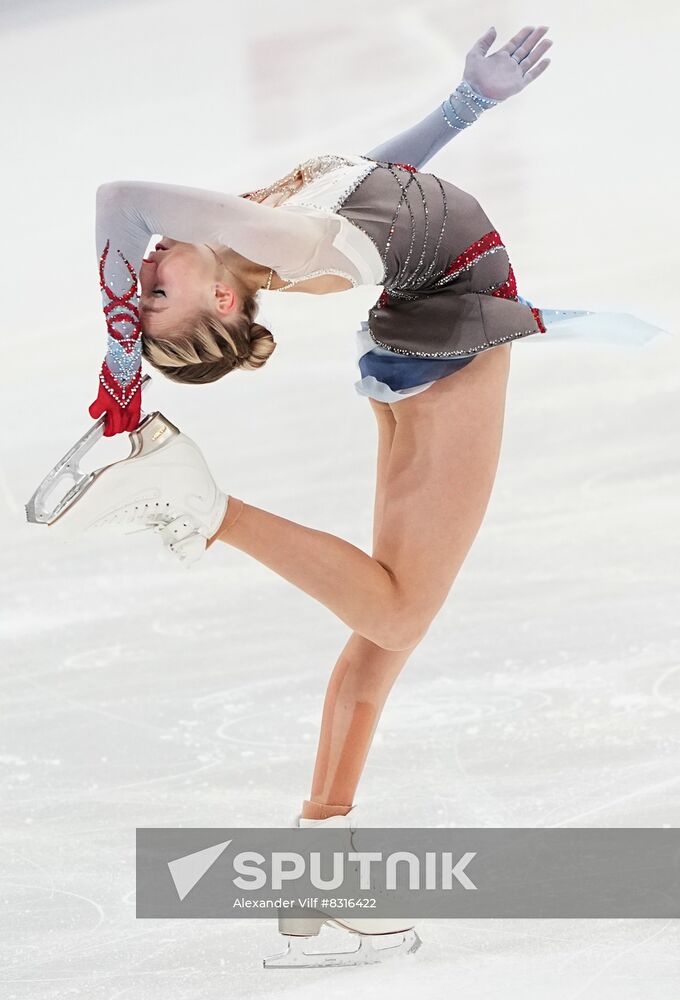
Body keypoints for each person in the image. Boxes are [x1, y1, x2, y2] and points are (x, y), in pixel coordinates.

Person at [56, 24, 665, 966]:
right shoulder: (272, 241)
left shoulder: (264, 232)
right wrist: (119, 357)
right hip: (449, 350)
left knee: (386, 632)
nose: (138, 276)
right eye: (152, 297)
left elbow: (380, 191)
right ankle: (210, 508)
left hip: (422, 340)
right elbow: (119, 200)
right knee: (397, 610)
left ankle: (313, 888)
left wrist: (467, 108)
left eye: (141, 293)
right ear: (220, 306)